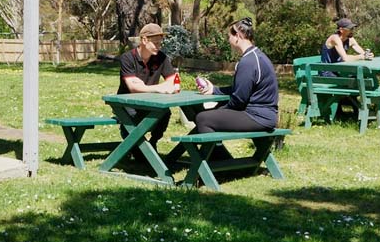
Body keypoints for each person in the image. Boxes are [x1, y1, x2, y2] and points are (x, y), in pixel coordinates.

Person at [194, 18, 279, 157]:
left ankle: (217, 163)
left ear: (238, 36)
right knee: (212, 113)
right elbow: (240, 89)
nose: (229, 40)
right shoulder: (258, 56)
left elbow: (238, 100)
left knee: (203, 118)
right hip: (266, 115)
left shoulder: (248, 62)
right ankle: (222, 161)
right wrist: (214, 90)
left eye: (230, 36)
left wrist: (220, 110)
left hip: (257, 117)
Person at [117, 23, 179, 151]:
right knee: (133, 119)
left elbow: (173, 82)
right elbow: (133, 88)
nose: (158, 46)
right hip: (127, 103)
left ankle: (153, 142)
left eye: (160, 43)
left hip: (151, 102)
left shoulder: (161, 57)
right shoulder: (127, 58)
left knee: (165, 112)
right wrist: (159, 88)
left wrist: (144, 86)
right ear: (144, 40)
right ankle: (133, 144)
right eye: (155, 43)